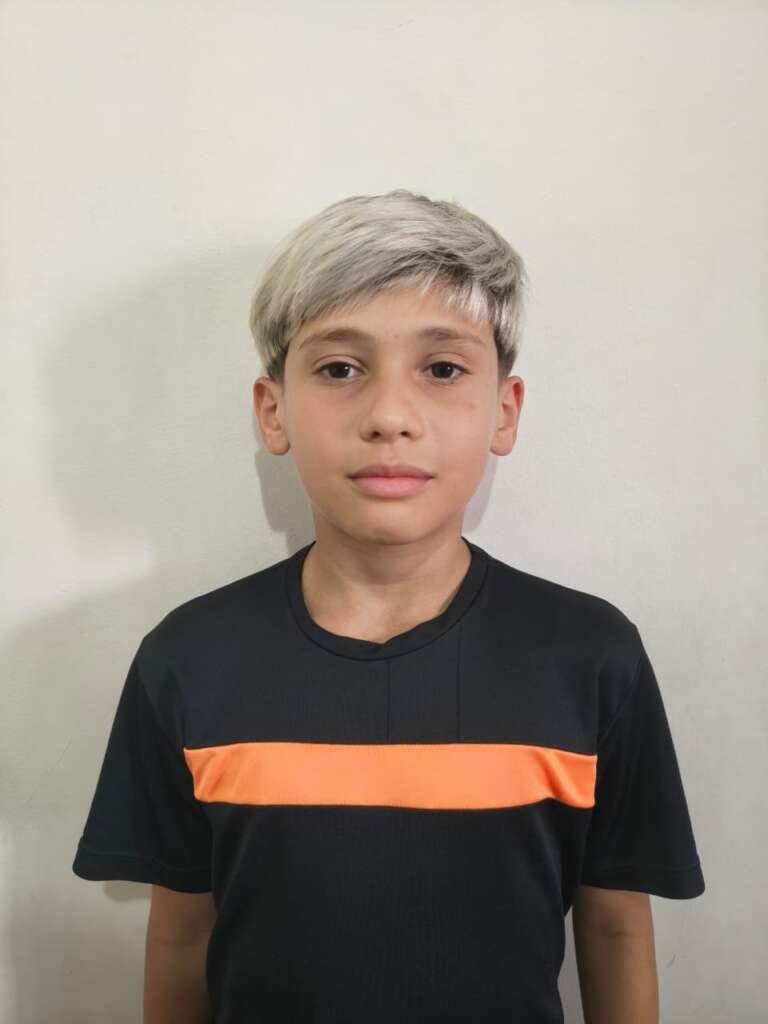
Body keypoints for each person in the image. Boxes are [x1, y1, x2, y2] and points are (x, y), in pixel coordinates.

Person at [72, 187, 705, 1024]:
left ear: (504, 410)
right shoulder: (190, 659)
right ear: (273, 410)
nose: (390, 416)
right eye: (340, 368)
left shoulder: (589, 657)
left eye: (442, 369)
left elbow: (617, 929)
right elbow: (182, 936)